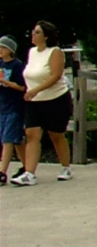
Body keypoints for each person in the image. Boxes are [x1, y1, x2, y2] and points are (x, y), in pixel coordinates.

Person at [11, 21, 74, 186]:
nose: (33, 35)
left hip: (55, 99)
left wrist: (36, 89)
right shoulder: (32, 52)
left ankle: (65, 167)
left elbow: (55, 76)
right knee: (32, 134)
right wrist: (31, 91)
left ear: (46, 36)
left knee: (56, 135)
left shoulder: (55, 52)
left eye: (37, 32)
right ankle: (29, 173)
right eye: (33, 32)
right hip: (34, 101)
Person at [0, 36, 27, 186]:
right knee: (16, 139)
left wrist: (5, 82)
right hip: (2, 106)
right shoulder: (0, 64)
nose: (0, 51)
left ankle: (2, 171)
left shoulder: (17, 65)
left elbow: (22, 87)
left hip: (14, 107)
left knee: (7, 139)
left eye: (2, 48)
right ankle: (27, 166)